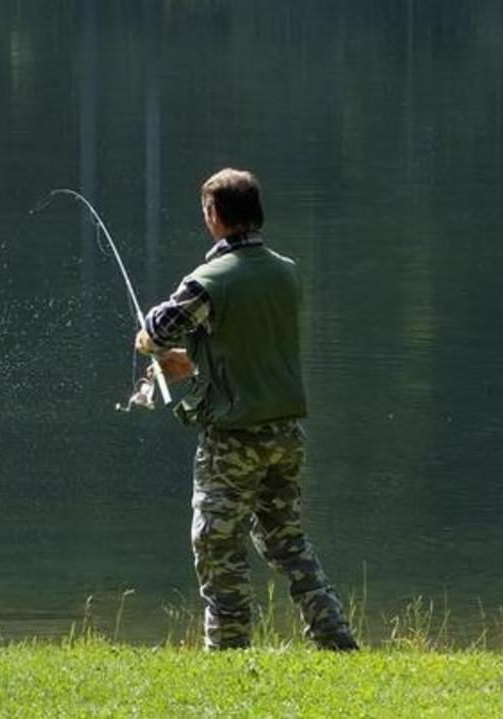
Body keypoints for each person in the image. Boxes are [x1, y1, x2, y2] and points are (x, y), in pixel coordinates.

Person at [135, 168, 357, 652]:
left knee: (216, 543)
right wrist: (192, 360)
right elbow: (248, 340)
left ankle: (230, 650)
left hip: (234, 438)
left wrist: (151, 341)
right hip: (286, 432)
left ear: (214, 216)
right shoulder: (286, 271)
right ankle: (334, 636)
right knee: (287, 540)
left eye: (206, 212)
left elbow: (161, 326)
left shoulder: (207, 281)